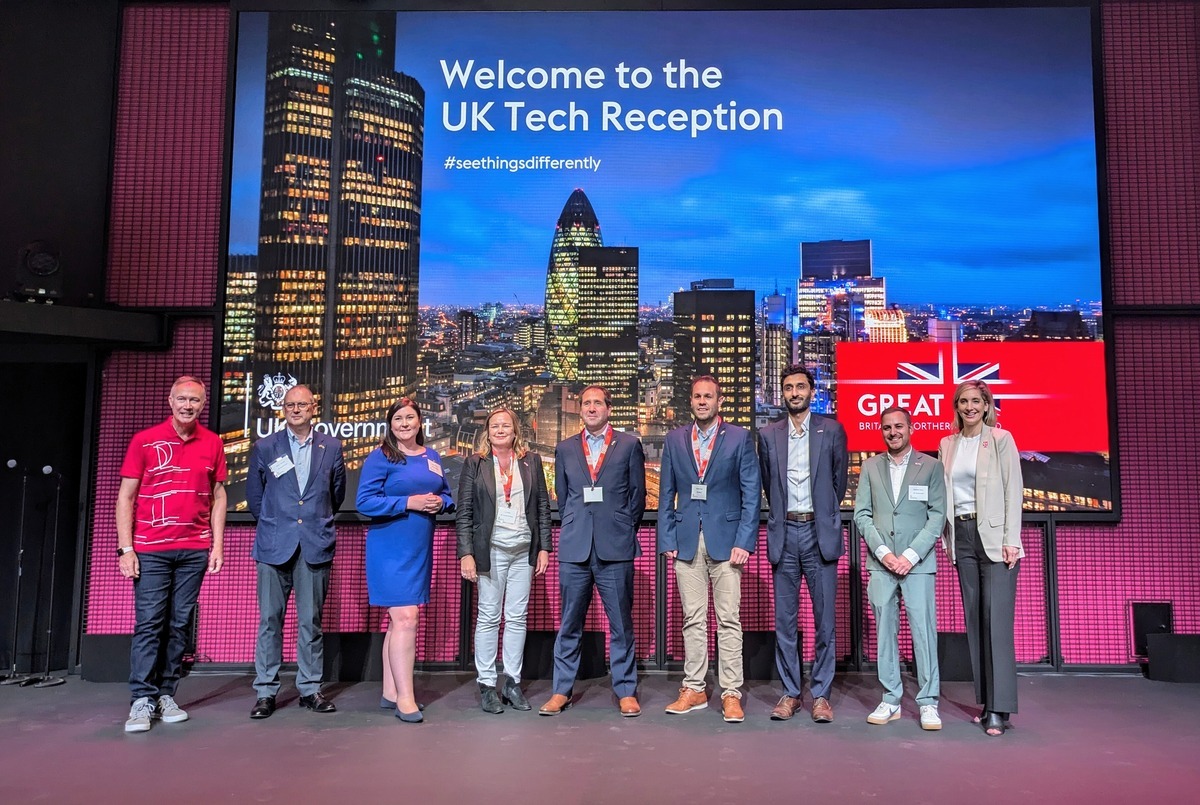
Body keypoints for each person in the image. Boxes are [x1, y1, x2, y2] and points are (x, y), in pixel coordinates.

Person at [116, 376, 226, 733]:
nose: (187, 405)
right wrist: (126, 549)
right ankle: (141, 700)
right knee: (150, 624)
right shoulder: (144, 441)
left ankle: (165, 693)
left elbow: (219, 496)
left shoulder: (212, 443)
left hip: (193, 550)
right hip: (151, 550)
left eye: (194, 400)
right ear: (170, 401)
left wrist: (217, 545)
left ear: (202, 404)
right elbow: (125, 498)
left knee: (179, 625)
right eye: (182, 399)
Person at [658, 376, 760, 723]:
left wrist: (745, 541)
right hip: (686, 540)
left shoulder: (739, 438)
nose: (703, 401)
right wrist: (667, 539)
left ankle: (731, 692)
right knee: (693, 619)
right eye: (698, 396)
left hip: (728, 542)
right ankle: (695, 688)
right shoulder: (674, 439)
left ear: (720, 401)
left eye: (709, 396)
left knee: (729, 620)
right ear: (691, 401)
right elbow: (665, 493)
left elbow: (752, 494)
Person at [539, 385, 646, 717]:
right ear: (580, 409)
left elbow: (638, 496)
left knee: (621, 624)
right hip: (575, 547)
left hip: (615, 545)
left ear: (608, 409)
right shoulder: (565, 448)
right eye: (586, 403)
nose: (591, 408)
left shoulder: (629, 444)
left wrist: (621, 526)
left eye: (598, 403)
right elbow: (563, 493)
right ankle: (561, 691)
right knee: (569, 623)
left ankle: (625, 690)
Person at [245, 384, 347, 719]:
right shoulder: (265, 446)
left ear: (314, 407)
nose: (295, 409)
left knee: (310, 622)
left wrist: (311, 523)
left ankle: (309, 688)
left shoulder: (331, 447)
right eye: (290, 404)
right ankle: (265, 692)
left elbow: (337, 493)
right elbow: (255, 498)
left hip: (314, 545)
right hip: (274, 545)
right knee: (269, 620)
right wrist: (278, 524)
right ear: (283, 409)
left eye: (301, 404)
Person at [758, 364, 848, 723]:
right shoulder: (768, 435)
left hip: (818, 533)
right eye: (788, 388)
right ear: (782, 394)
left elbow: (837, 483)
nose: (794, 393)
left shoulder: (832, 430)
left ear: (812, 391)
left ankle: (822, 695)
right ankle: (791, 693)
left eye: (800, 387)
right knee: (785, 621)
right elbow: (768, 484)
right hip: (785, 533)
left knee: (825, 622)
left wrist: (821, 514)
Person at [356, 398, 453, 723]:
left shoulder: (432, 457)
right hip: (389, 547)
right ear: (390, 424)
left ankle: (389, 692)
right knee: (406, 618)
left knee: (398, 621)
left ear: (420, 421)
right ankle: (406, 700)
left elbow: (447, 495)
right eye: (398, 418)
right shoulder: (381, 457)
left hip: (419, 547)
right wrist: (407, 502)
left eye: (410, 417)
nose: (404, 423)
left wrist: (440, 502)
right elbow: (365, 502)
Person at [938, 380, 1023, 737]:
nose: (970, 407)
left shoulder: (1002, 440)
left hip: (995, 538)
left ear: (987, 406)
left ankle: (1000, 710)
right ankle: (986, 702)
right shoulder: (947, 444)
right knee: (975, 623)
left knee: (996, 625)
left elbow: (1013, 489)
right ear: (956, 407)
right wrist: (947, 539)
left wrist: (1012, 539)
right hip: (962, 537)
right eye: (963, 402)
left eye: (976, 401)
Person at [853, 407, 946, 731]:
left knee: (923, 633)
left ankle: (928, 701)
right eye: (887, 428)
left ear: (911, 428)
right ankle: (890, 698)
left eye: (898, 426)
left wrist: (908, 555)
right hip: (881, 565)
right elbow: (861, 515)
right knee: (884, 634)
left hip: (918, 565)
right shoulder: (870, 466)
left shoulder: (931, 466)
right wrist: (883, 552)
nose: (893, 432)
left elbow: (937, 516)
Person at [455, 407, 551, 713]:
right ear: (487, 431)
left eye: (505, 425)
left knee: (517, 617)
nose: (499, 430)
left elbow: (543, 508)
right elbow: (465, 512)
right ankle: (487, 683)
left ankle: (511, 681)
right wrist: (466, 553)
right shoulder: (476, 463)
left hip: (523, 549)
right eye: (494, 425)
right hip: (491, 549)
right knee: (488, 617)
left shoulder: (531, 461)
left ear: (515, 430)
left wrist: (544, 548)